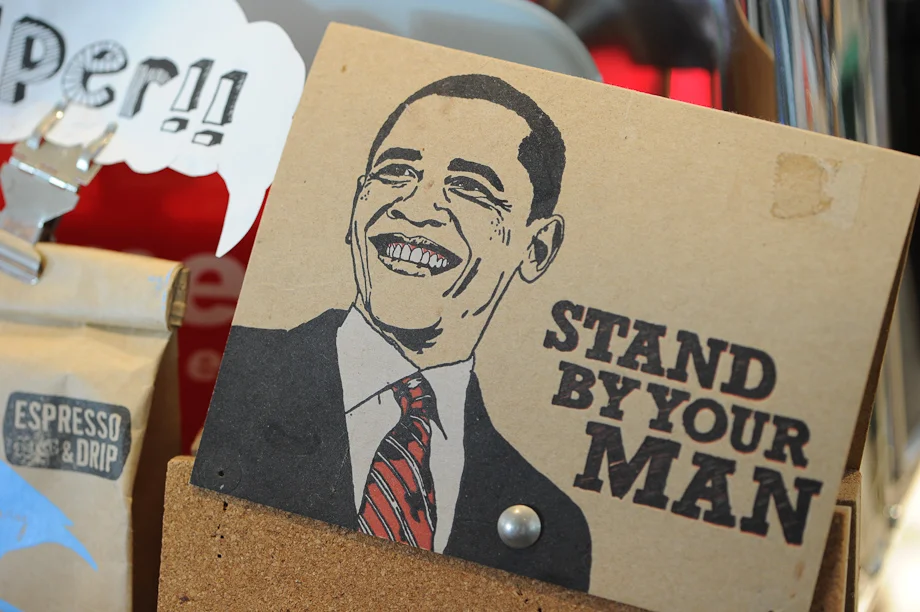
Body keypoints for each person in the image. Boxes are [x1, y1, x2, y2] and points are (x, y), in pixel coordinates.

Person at [192, 74, 591, 591]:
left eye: (470, 187)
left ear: (537, 248)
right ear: (356, 204)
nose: (417, 207)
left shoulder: (552, 523)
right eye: (397, 172)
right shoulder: (232, 384)